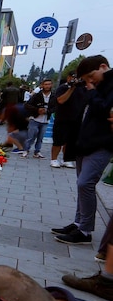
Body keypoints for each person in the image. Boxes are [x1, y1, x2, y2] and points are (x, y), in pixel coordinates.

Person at [53, 55, 113, 245]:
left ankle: (85, 231)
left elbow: (104, 110)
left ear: (103, 67)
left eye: (90, 76)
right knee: (81, 182)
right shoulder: (96, 86)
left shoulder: (107, 86)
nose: (89, 81)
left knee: (85, 183)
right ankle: (79, 222)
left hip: (101, 143)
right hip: (84, 141)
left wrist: (92, 90)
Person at [49, 73, 85, 168]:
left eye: (77, 77)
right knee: (58, 140)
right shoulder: (63, 88)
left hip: (76, 119)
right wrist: (71, 88)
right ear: (69, 77)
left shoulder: (82, 88)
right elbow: (60, 100)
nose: (75, 79)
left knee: (70, 141)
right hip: (62, 118)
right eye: (73, 77)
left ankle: (66, 159)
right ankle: (54, 159)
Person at [23, 78, 56, 158]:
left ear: (51, 85)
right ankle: (26, 150)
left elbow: (55, 107)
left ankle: (37, 151)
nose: (47, 86)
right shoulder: (37, 95)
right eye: (45, 84)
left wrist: (47, 111)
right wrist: (37, 110)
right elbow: (27, 105)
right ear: (42, 85)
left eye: (49, 84)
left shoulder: (53, 96)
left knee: (40, 137)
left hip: (45, 120)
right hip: (35, 119)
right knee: (31, 136)